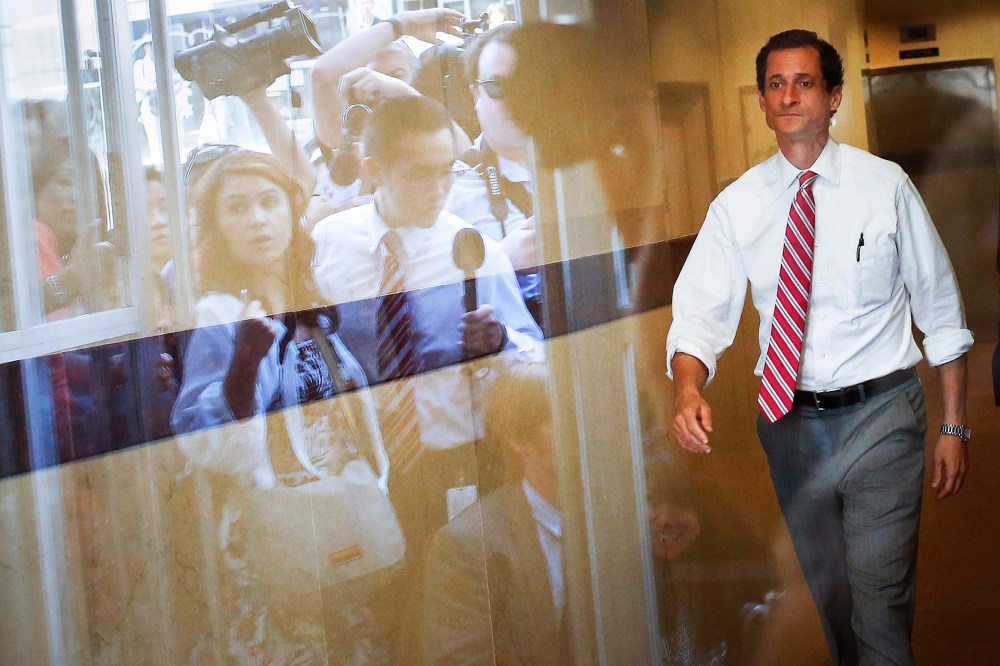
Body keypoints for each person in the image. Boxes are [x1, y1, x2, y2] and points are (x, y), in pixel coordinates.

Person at [666, 29, 973, 665]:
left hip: (883, 415)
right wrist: (688, 386)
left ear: (834, 97)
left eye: (804, 82)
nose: (788, 96)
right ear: (761, 101)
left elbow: (939, 307)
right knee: (832, 597)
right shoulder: (738, 206)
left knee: (879, 598)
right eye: (775, 84)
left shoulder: (883, 186)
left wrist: (953, 424)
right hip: (789, 425)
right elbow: (700, 314)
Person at [171, 151, 395, 664]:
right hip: (275, 533)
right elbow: (211, 446)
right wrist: (245, 363)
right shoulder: (218, 313)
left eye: (269, 202)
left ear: (290, 214)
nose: (256, 220)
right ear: (217, 226)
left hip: (341, 512)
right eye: (237, 208)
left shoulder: (311, 302)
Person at [312, 95, 541, 570]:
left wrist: (499, 343)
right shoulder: (328, 245)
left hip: (457, 463)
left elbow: (535, 361)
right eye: (419, 174)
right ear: (374, 170)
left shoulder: (475, 251)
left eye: (447, 171)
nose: (438, 189)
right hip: (363, 468)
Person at [420, 358, 567, 665]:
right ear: (520, 440)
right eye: (564, 419)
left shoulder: (624, 511)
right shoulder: (469, 546)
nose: (584, 431)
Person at [444, 23, 541, 322]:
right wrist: (500, 263)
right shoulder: (449, 191)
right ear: (475, 95)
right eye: (497, 88)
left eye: (526, 86)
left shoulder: (590, 172)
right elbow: (435, 314)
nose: (514, 101)